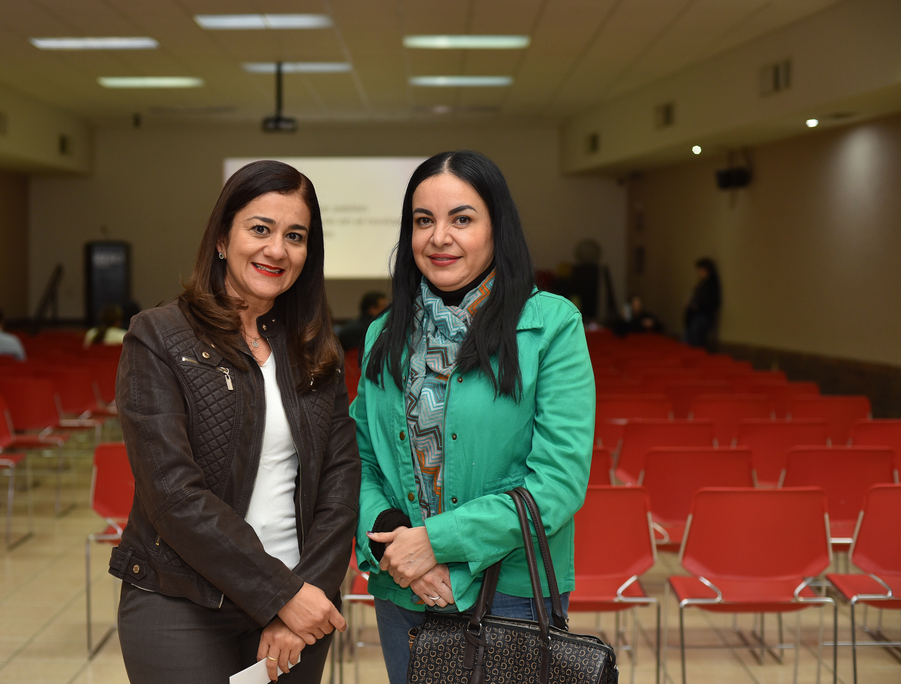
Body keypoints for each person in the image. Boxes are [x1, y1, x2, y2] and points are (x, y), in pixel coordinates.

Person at [110, 160, 361, 684]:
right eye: (260, 229)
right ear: (222, 239)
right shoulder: (158, 336)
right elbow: (172, 494)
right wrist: (280, 593)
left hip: (299, 603)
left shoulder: (314, 347)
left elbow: (340, 481)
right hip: (181, 599)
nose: (277, 250)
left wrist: (307, 593)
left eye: (295, 236)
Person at [350, 151, 595, 684]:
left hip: (511, 593)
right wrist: (393, 536)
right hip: (404, 589)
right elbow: (360, 459)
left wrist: (436, 542)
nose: (439, 237)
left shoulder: (552, 325)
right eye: (423, 220)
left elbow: (558, 483)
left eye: (461, 219)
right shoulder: (383, 334)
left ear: (496, 228)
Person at [336, 290, 388, 357]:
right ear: (372, 309)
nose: (387, 310)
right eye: (383, 307)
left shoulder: (346, 328)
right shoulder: (381, 330)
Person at [684, 257, 721, 348]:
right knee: (688, 341)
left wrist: (694, 304)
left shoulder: (711, 284)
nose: (699, 273)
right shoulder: (701, 283)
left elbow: (708, 301)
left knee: (696, 342)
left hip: (702, 315)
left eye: (700, 270)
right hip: (695, 315)